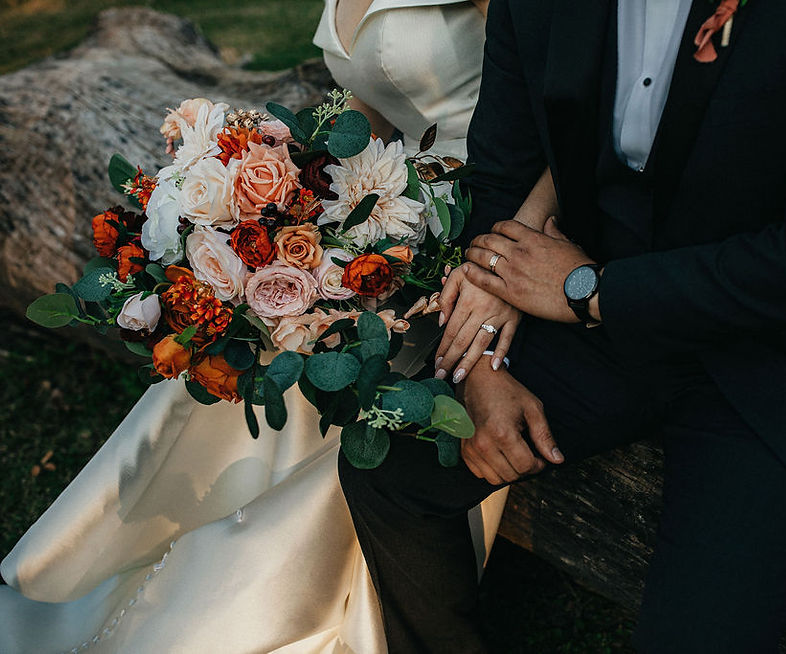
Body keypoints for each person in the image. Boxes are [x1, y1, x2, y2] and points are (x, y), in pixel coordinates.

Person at [338, 0, 786, 652]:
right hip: (595, 289)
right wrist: (480, 364)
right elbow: (505, 160)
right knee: (389, 469)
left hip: (783, 351)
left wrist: (591, 291)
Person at [0, 2, 513, 652]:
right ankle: (161, 544)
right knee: (265, 323)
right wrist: (287, 185)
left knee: (324, 344)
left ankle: (269, 594)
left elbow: (545, 89)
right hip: (381, 199)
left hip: (473, 222)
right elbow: (372, 105)